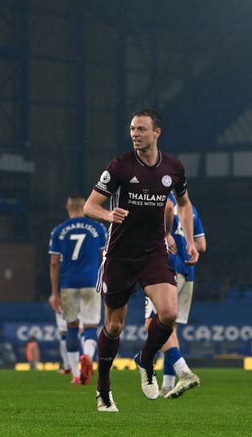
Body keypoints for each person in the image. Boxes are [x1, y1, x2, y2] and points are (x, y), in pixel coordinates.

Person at [83, 108, 199, 412]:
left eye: (141, 129)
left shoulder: (173, 168)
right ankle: (103, 390)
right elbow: (89, 206)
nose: (135, 134)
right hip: (120, 255)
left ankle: (145, 360)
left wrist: (186, 238)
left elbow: (183, 204)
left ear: (156, 132)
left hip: (153, 253)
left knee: (169, 313)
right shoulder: (120, 166)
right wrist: (108, 213)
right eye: (132, 129)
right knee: (114, 327)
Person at [144, 193, 206, 398]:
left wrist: (167, 235)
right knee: (170, 328)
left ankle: (184, 371)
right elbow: (202, 245)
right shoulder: (191, 208)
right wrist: (183, 246)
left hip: (165, 270)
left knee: (152, 324)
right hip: (187, 271)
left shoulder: (160, 198)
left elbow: (167, 207)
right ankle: (168, 385)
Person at [49, 195, 107, 385]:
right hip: (91, 282)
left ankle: (75, 374)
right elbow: (105, 258)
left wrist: (55, 293)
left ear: (67, 206)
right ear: (85, 207)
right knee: (90, 326)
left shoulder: (58, 231)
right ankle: (88, 358)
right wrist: (105, 281)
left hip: (68, 283)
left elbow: (54, 264)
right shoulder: (98, 228)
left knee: (72, 327)